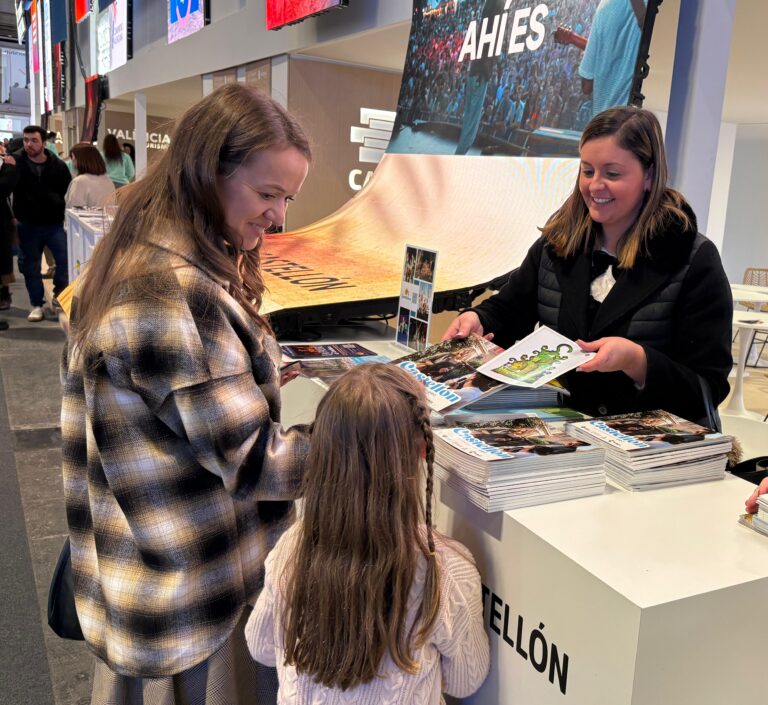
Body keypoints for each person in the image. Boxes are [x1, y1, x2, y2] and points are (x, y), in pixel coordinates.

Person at [61, 83, 312, 705]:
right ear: (209, 172)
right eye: (267, 193)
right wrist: (360, 436)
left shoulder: (138, 250)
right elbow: (259, 464)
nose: (278, 216)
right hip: (194, 602)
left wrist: (242, 381)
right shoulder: (177, 290)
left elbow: (165, 398)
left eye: (287, 197)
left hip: (147, 578)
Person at [443, 107, 733, 425]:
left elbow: (708, 387)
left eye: (612, 174)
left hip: (648, 452)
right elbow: (510, 310)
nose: (595, 186)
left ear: (649, 176)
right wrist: (478, 319)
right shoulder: (556, 244)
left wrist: (638, 361)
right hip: (568, 435)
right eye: (588, 170)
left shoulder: (694, 259)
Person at [245, 363, 490, 703]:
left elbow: (260, 648)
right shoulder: (448, 570)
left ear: (319, 448)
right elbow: (466, 680)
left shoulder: (291, 548)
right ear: (421, 450)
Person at [8, 125, 72, 322]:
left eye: (34, 140)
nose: (29, 144)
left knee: (65, 262)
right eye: (26, 140)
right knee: (30, 266)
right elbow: (6, 189)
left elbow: (67, 192)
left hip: (53, 224)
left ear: (44, 143)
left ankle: (59, 297)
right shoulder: (16, 163)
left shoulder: (58, 166)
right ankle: (36, 304)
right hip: (27, 225)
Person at [579, 0, 647, 117]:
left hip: (603, 122)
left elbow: (587, 85)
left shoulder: (603, 7)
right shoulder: (655, 6)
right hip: (635, 120)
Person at [64, 144, 115, 208]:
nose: (72, 160)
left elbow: (73, 210)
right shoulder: (109, 181)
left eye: (73, 157)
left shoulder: (79, 181)